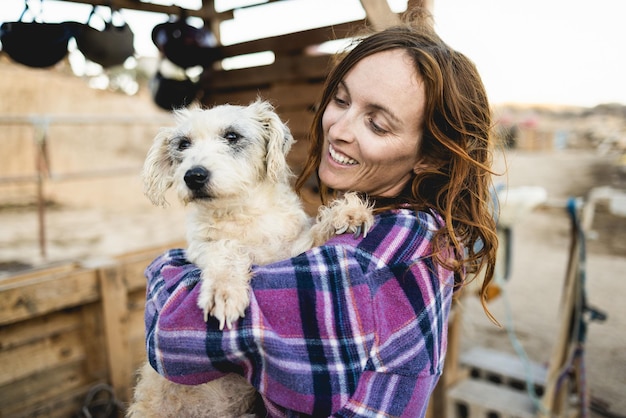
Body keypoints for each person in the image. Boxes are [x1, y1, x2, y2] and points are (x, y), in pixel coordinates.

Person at [143, 10, 498, 417]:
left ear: (430, 157)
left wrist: (166, 273)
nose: (339, 128)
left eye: (377, 124)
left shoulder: (370, 260)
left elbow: (172, 337)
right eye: (341, 100)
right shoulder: (402, 230)